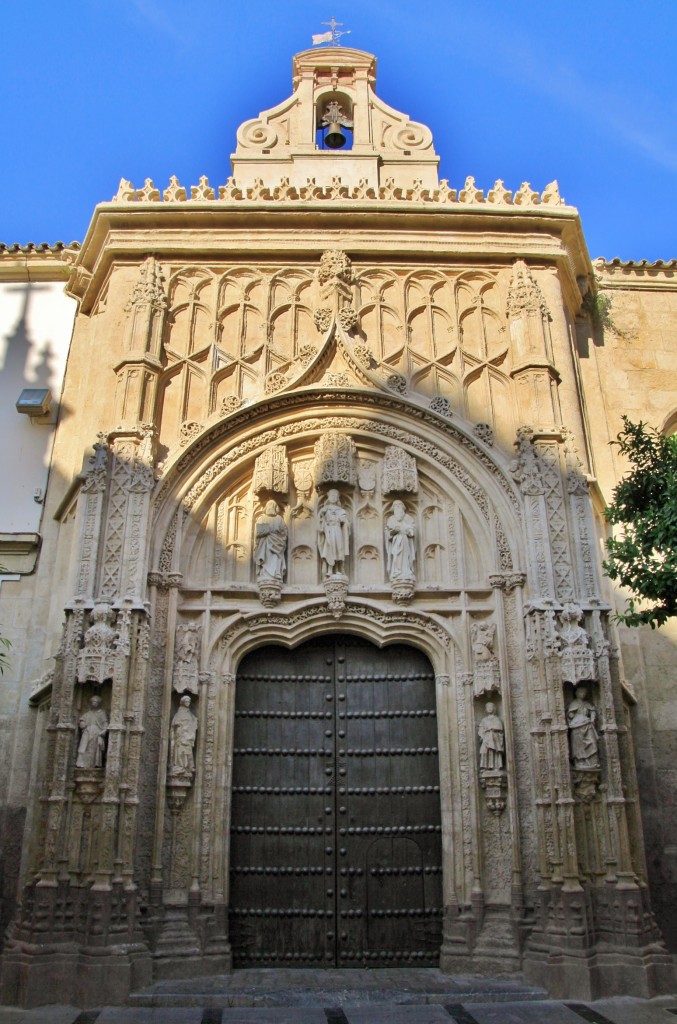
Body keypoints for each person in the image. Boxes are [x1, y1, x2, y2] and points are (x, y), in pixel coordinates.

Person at [317, 488, 350, 576]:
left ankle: (339, 568)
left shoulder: (341, 510)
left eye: (335, 496)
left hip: (338, 530)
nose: (333, 498)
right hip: (329, 531)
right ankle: (330, 569)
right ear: (329, 497)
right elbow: (320, 521)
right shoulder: (325, 509)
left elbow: (346, 522)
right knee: (330, 548)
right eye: (332, 496)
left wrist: (342, 520)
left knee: (339, 548)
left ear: (337, 498)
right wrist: (322, 516)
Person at [567, 685, 600, 768]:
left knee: (592, 741)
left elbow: (592, 711)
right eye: (581, 692)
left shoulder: (587, 703)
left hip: (587, 724)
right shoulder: (574, 703)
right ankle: (579, 761)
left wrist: (592, 718)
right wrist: (571, 714)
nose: (583, 694)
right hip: (577, 726)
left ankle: (592, 761)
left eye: (584, 693)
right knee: (578, 745)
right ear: (576, 693)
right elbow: (570, 715)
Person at [254, 500, 288, 582]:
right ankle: (264, 574)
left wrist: (269, 530)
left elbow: (284, 533)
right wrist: (272, 530)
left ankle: (276, 574)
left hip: (277, 544)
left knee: (275, 558)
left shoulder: (279, 519)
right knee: (266, 558)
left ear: (276, 508)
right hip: (265, 544)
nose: (271, 507)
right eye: (269, 505)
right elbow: (259, 532)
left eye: (273, 505)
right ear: (266, 507)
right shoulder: (262, 518)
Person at [384, 500, 416, 582]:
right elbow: (388, 534)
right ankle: (396, 572)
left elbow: (412, 532)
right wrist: (393, 531)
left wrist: (407, 530)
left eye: (399, 506)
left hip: (405, 541)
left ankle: (406, 572)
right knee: (396, 557)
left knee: (406, 557)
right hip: (395, 542)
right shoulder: (391, 519)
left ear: (403, 508)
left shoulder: (408, 518)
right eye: (395, 506)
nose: (397, 508)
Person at [169, 695, 199, 779]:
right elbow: (175, 724)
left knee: (187, 751)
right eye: (186, 701)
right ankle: (180, 766)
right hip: (180, 735)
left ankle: (187, 766)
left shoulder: (190, 714)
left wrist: (194, 723)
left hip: (188, 736)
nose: (188, 703)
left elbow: (194, 721)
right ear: (182, 702)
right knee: (180, 751)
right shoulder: (179, 713)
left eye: (189, 701)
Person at [76, 695, 108, 769]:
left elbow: (105, 724)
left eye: (96, 702)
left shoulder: (102, 713)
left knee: (94, 750)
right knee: (83, 748)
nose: (94, 703)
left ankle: (94, 764)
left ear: (98, 703)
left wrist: (103, 732)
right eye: (93, 702)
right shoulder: (88, 713)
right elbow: (82, 721)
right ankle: (82, 764)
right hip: (87, 732)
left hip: (96, 733)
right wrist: (82, 723)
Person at [478, 702, 505, 771]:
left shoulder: (497, 719)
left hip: (495, 738)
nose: (489, 708)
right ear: (485, 709)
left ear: (494, 708)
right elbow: (481, 729)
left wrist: (494, 730)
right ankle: (485, 766)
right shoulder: (484, 720)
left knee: (495, 751)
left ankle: (496, 766)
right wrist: (482, 735)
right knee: (484, 751)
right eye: (488, 707)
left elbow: (500, 729)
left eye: (491, 707)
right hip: (486, 738)